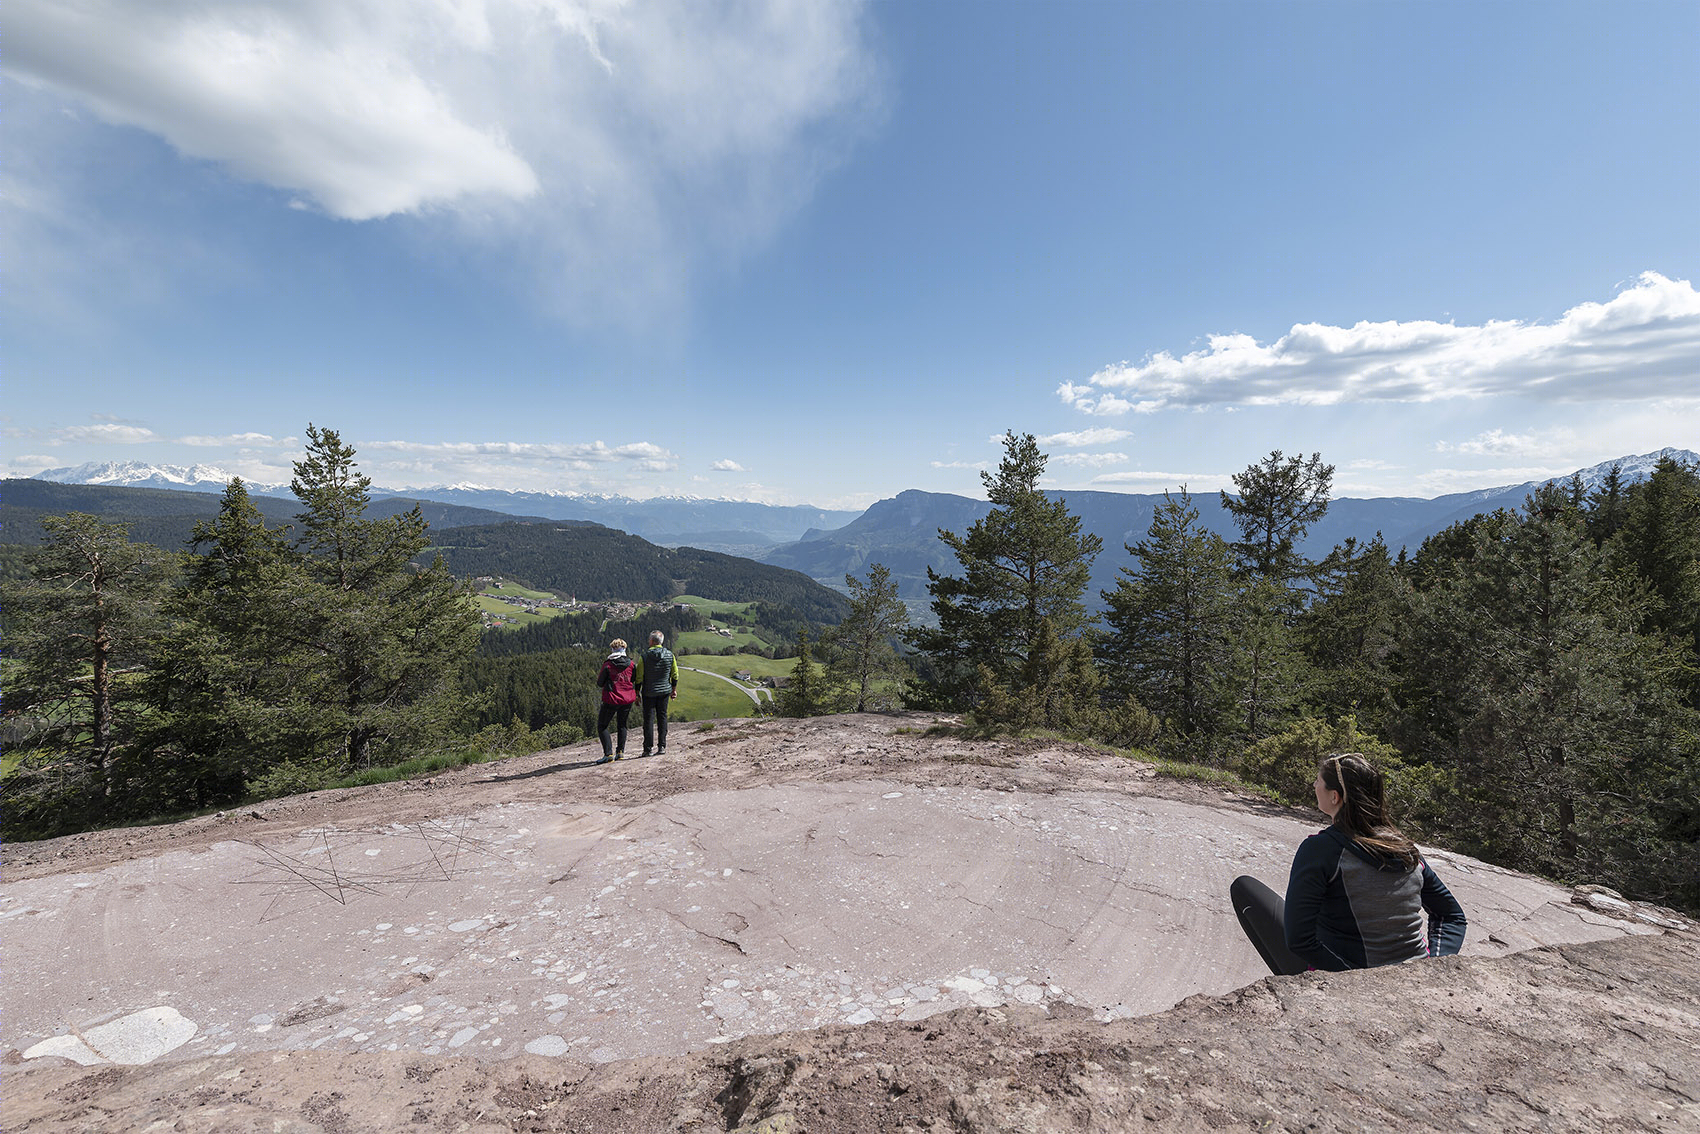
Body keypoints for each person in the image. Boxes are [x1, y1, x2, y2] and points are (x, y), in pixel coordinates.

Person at [1231, 752, 1467, 975]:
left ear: (1335, 796)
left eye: (1318, 781)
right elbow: (1451, 915)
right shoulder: (1406, 850)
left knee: (1244, 889)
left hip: (1355, 979)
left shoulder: (1321, 850)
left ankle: (1301, 994)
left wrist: (1349, 979)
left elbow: (1299, 939)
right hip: (1412, 972)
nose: (1314, 786)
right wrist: (1433, 966)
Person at [631, 630, 679, 757]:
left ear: (652, 641)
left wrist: (637, 693)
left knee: (648, 720)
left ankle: (647, 749)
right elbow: (675, 674)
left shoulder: (644, 657)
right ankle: (662, 746)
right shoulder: (670, 655)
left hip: (649, 692)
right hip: (664, 691)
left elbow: (639, 677)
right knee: (662, 717)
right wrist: (673, 689)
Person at [594, 639, 638, 763]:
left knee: (602, 726)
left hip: (611, 699)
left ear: (612, 649)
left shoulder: (608, 664)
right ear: (624, 649)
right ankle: (620, 752)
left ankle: (608, 754)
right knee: (622, 725)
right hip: (627, 699)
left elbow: (600, 683)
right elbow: (633, 679)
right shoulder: (631, 664)